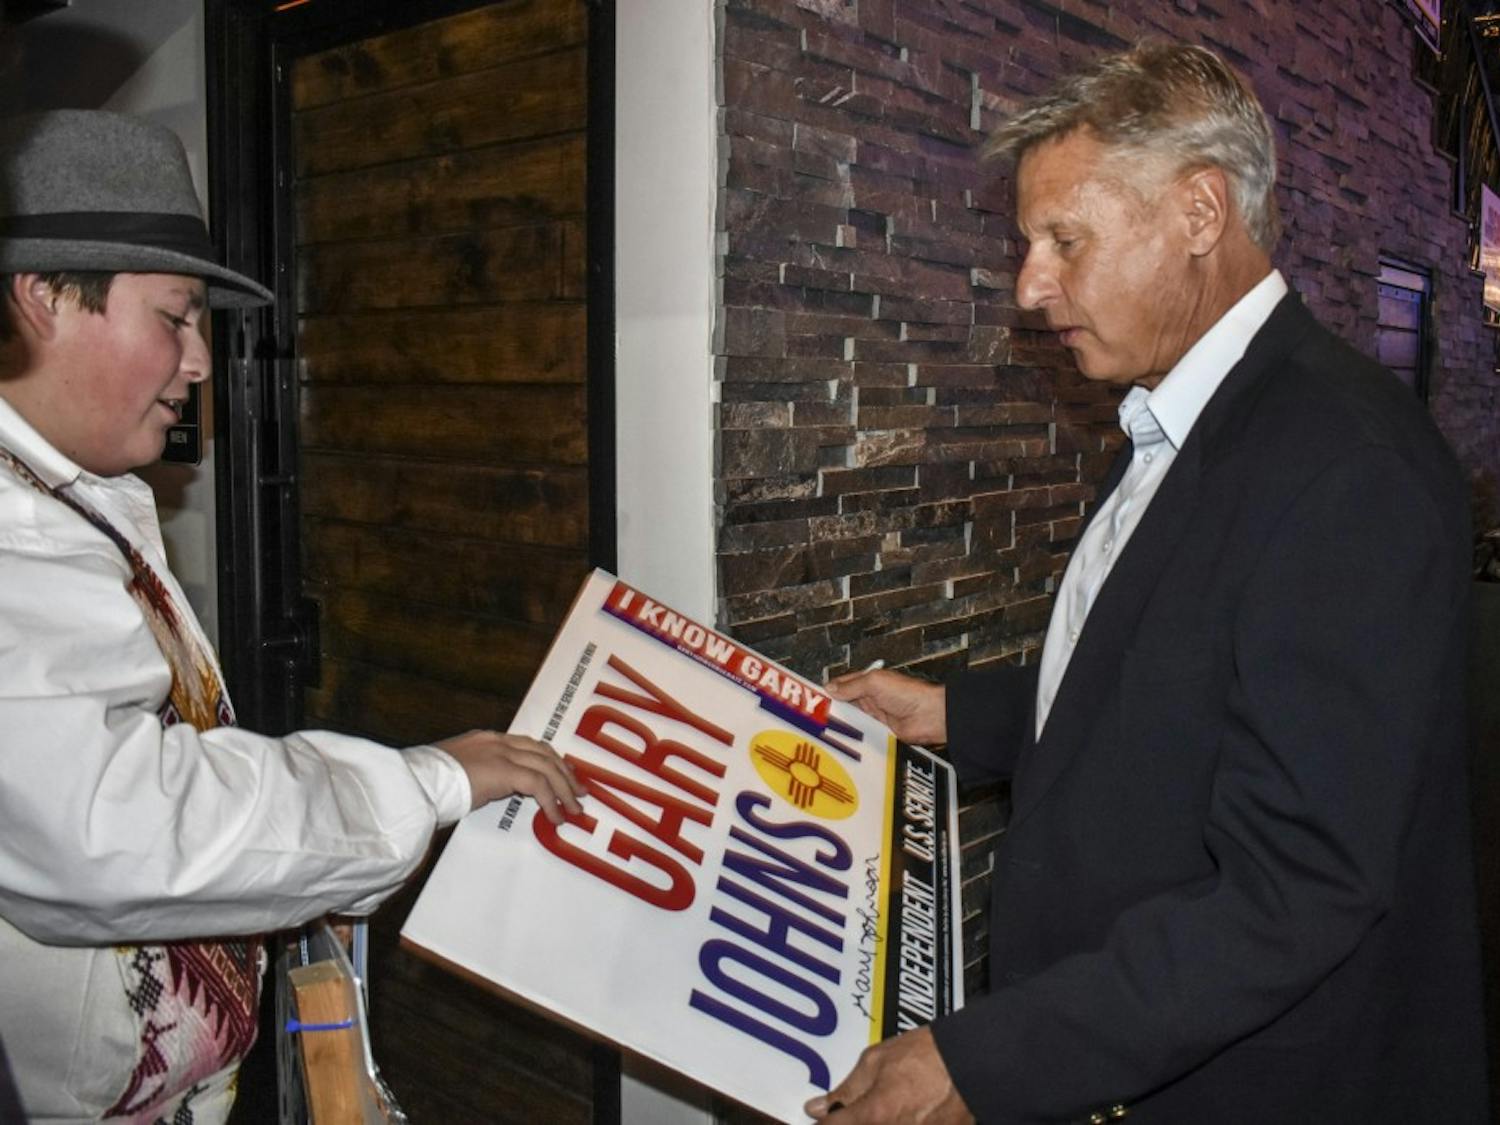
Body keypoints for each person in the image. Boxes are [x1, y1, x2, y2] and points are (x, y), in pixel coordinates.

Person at [807, 42, 1490, 1124]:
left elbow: (1294, 889)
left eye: (1063, 241)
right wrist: (958, 713)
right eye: (1030, 245)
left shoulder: (1346, 464)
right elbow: (1171, 678)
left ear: (1201, 214)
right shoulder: (1180, 412)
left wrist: (991, 1059)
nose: (1031, 289)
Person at [0, 110, 586, 1123]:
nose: (195, 362)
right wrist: (422, 785)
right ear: (45, 297)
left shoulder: (77, 492)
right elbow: (110, 828)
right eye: (176, 317)